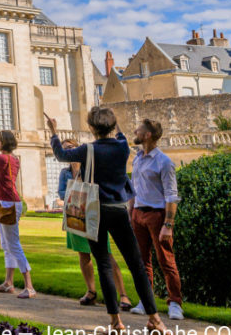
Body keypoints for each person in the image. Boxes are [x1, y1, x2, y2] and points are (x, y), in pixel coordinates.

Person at [47, 107, 169, 334]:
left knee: (103, 263)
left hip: (94, 209)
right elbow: (121, 134)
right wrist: (115, 120)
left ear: (91, 128)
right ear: (112, 126)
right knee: (136, 266)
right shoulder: (122, 146)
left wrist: (54, 132)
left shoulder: (88, 149)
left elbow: (61, 155)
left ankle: (115, 321)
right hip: (118, 209)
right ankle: (154, 318)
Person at [58, 140, 133, 310]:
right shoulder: (65, 173)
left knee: (106, 255)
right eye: (66, 149)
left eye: (71, 147)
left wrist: (79, 172)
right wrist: (75, 175)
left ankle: (123, 295)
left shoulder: (92, 167)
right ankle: (91, 291)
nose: (69, 151)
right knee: (84, 256)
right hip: (76, 215)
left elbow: (98, 189)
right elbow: (63, 193)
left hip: (94, 216)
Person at [130, 119, 184, 321]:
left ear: (148, 135)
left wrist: (168, 225)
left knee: (166, 261)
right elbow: (135, 188)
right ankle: (146, 301)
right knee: (142, 262)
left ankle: (175, 303)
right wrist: (131, 212)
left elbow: (171, 195)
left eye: (139, 129)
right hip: (138, 214)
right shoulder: (137, 158)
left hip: (157, 215)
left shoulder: (164, 162)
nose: (135, 131)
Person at [0, 130, 35, 298]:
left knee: (13, 244)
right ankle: (8, 283)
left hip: (7, 203)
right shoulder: (13, 159)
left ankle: (29, 286)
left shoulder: (1, 159)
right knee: (7, 244)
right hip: (9, 202)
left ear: (2, 142)